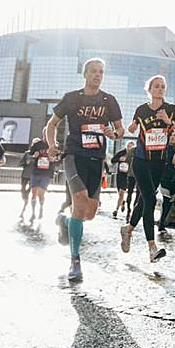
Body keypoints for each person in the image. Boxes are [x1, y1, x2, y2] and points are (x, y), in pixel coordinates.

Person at [46, 57, 123, 283]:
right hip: (74, 155)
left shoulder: (109, 100)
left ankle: (65, 221)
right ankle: (75, 262)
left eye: (101, 72)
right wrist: (51, 144)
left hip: (96, 159)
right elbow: (51, 124)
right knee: (79, 201)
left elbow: (120, 129)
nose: (97, 75)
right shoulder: (72, 98)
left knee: (88, 213)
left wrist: (113, 133)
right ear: (85, 74)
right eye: (93, 71)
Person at [122, 75, 175, 262]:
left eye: (162, 86)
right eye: (156, 86)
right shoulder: (141, 109)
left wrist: (169, 121)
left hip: (159, 163)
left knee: (144, 201)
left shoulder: (171, 109)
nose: (160, 89)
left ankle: (128, 230)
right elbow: (132, 127)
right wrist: (131, 126)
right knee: (150, 199)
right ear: (149, 89)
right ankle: (152, 248)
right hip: (141, 161)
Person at [26, 135, 53, 223]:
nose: (46, 136)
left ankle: (41, 208)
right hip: (36, 172)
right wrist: (34, 155)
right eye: (45, 134)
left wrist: (53, 158)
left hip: (46, 173)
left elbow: (58, 157)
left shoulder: (53, 144)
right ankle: (33, 213)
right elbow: (29, 155)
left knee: (41, 194)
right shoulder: (37, 144)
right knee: (33, 193)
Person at [111, 143, 133, 219]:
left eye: (131, 147)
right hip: (120, 175)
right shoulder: (121, 152)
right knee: (119, 193)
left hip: (127, 176)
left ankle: (116, 210)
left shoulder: (133, 154)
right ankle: (122, 202)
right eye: (128, 146)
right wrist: (119, 159)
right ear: (126, 146)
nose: (129, 148)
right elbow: (112, 160)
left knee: (121, 193)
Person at [18, 140, 37, 220]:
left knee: (30, 192)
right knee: (22, 190)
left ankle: (26, 209)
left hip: (34, 176)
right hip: (25, 175)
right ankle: (25, 201)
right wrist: (26, 162)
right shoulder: (27, 153)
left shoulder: (40, 154)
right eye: (34, 144)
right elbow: (21, 163)